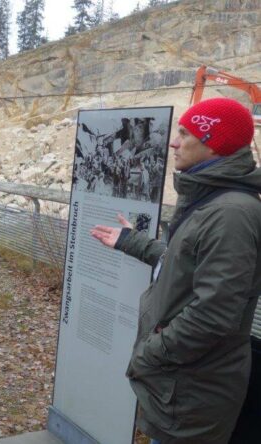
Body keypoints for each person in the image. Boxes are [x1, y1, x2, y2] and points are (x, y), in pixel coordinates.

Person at [90, 98, 261, 443]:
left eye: (185, 133)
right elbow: (184, 263)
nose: (173, 141)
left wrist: (149, 354)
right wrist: (134, 242)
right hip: (183, 384)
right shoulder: (213, 201)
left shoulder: (231, 214)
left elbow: (214, 315)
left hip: (192, 390)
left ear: (214, 142)